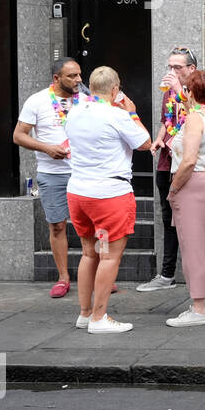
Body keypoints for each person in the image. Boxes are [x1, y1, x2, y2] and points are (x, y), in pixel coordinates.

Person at [62, 66, 152, 334]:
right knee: (109, 257)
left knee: (90, 253)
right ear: (116, 90)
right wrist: (132, 112)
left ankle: (85, 313)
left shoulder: (75, 111)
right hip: (109, 196)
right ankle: (99, 318)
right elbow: (145, 143)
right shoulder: (118, 115)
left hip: (79, 193)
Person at [13, 58, 86, 299]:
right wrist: (47, 148)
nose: (78, 80)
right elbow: (19, 136)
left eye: (79, 75)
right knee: (57, 225)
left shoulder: (86, 98)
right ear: (56, 78)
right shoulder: (37, 101)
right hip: (51, 173)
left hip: (84, 171)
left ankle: (96, 274)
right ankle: (63, 277)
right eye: (72, 76)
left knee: (93, 226)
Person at [165, 69, 205, 327]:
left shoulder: (194, 118)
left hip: (194, 184)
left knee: (194, 247)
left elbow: (189, 160)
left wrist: (173, 189)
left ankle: (199, 308)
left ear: (191, 92)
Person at [137, 46, 198, 293]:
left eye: (177, 67)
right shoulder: (167, 92)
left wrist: (177, 90)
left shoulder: (201, 88)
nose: (171, 71)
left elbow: (197, 115)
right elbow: (167, 120)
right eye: (169, 66)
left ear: (191, 69)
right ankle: (167, 274)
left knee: (195, 221)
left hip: (187, 165)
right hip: (166, 163)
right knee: (168, 219)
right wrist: (159, 139)